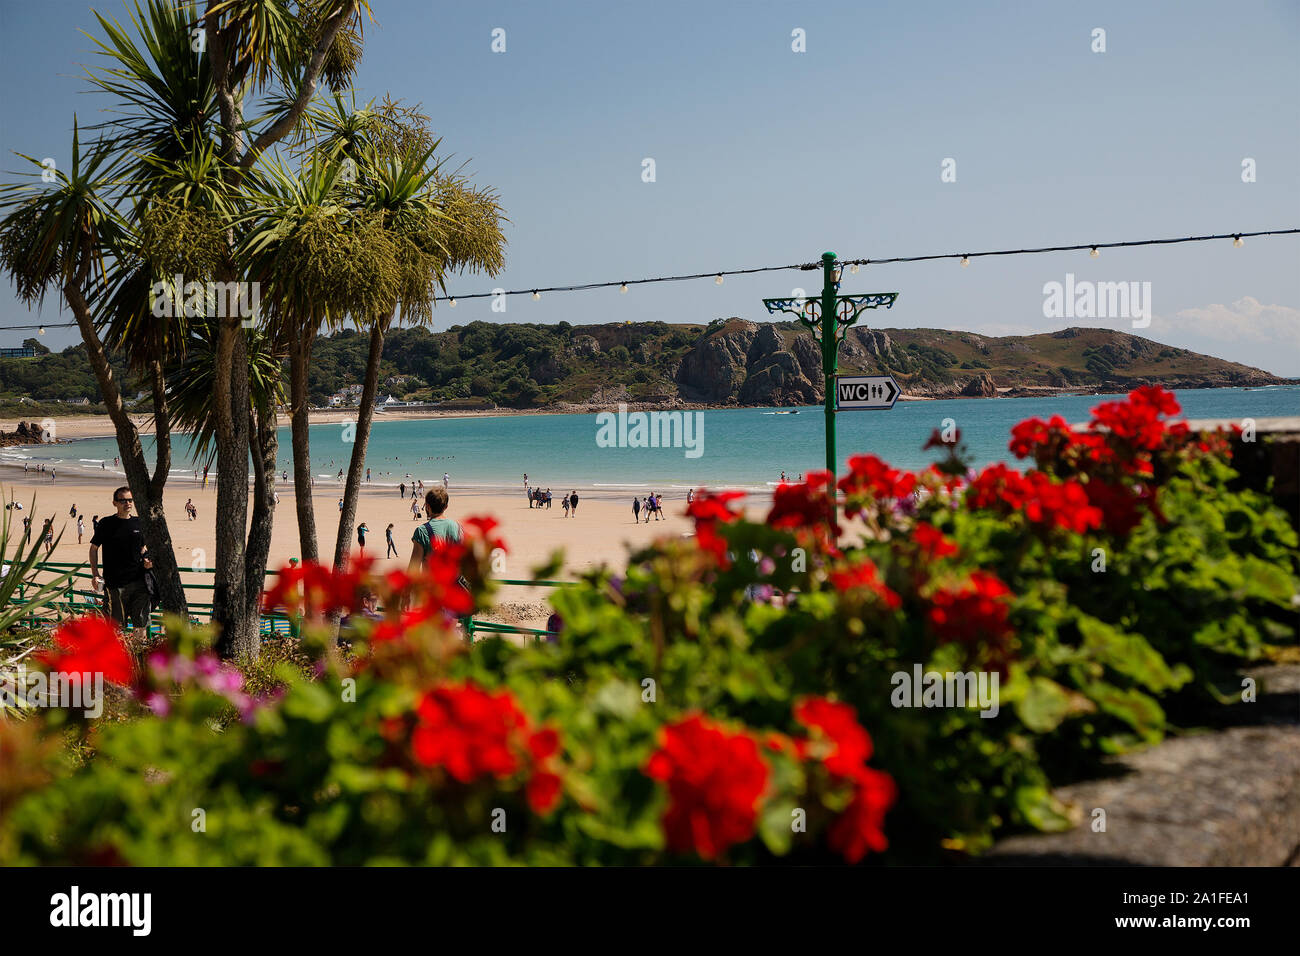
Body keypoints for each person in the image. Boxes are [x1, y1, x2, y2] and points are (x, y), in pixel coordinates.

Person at [89, 486, 153, 641]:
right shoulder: (106, 523)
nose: (127, 503)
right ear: (114, 503)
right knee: (114, 627)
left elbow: (144, 547)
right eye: (123, 500)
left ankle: (138, 658)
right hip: (115, 584)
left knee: (141, 623)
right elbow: (93, 549)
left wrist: (148, 560)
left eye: (130, 500)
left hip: (140, 582)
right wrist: (95, 574)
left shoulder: (139, 523)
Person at [409, 487, 463, 571]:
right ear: (446, 507)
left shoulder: (422, 531)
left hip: (431, 583)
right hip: (453, 582)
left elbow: (412, 570)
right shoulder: (459, 528)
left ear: (427, 506)